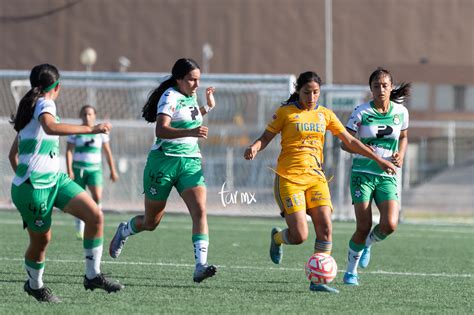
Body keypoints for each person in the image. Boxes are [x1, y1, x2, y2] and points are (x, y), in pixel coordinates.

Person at [244, 71, 397, 293]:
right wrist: (255, 147)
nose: (312, 97)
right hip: (289, 178)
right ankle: (277, 238)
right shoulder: (285, 112)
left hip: (316, 178)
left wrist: (378, 159)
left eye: (316, 92)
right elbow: (266, 137)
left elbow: (350, 140)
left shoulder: (325, 115)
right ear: (298, 91)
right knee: (299, 236)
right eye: (307, 92)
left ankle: (318, 281)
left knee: (325, 228)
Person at [8, 64, 123, 303]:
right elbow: (51, 127)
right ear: (57, 87)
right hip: (34, 189)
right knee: (41, 241)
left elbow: (13, 156)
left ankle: (92, 276)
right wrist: (91, 129)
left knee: (95, 216)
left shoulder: (31, 107)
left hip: (55, 180)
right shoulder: (44, 103)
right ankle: (35, 286)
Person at [109, 58, 217, 283]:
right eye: (191, 79)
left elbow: (188, 118)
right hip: (163, 162)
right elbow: (162, 129)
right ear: (179, 79)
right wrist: (192, 132)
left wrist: (207, 107)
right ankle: (125, 230)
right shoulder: (169, 96)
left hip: (190, 162)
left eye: (198, 79)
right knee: (151, 222)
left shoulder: (190, 95)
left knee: (200, 211)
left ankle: (200, 265)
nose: (196, 84)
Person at [342, 68, 410, 286]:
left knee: (390, 224)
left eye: (384, 85)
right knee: (363, 226)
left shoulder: (401, 112)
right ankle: (350, 272)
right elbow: (345, 143)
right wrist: (372, 154)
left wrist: (401, 154)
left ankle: (368, 244)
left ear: (391, 87)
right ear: (370, 89)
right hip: (362, 175)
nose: (380, 89)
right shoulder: (361, 112)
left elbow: (404, 136)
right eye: (376, 86)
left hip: (386, 175)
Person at [66, 105, 119, 240]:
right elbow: (69, 151)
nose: (87, 116)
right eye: (84, 114)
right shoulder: (75, 131)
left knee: (96, 197)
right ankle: (80, 229)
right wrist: (69, 169)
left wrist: (113, 170)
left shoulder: (101, 131)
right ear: (81, 116)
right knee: (78, 199)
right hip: (78, 169)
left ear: (95, 116)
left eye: (89, 114)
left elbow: (107, 152)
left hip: (95, 169)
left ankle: (96, 223)